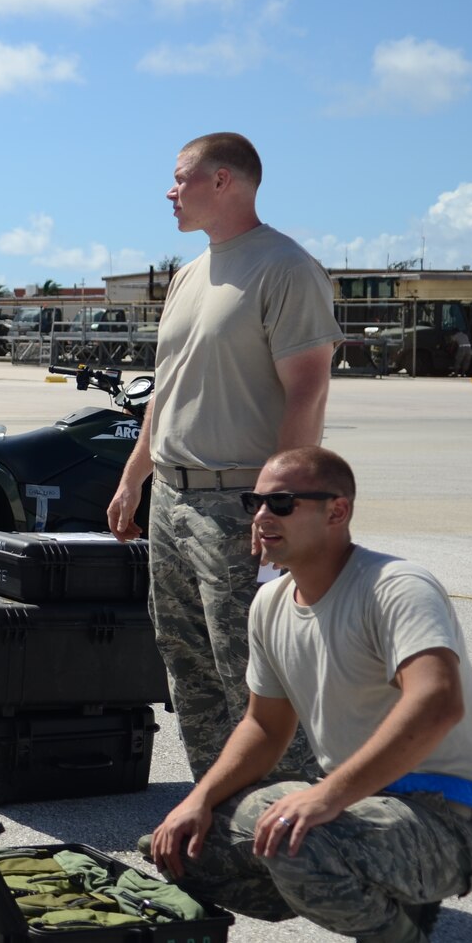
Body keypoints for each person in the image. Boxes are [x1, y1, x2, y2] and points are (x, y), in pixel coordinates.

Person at [146, 448, 472, 943]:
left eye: (282, 503)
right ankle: (379, 898)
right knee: (183, 847)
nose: (261, 517)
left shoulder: (395, 586)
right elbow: (264, 727)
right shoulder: (271, 605)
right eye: (255, 502)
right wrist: (196, 801)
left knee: (299, 840)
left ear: (337, 512)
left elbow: (437, 702)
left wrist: (323, 796)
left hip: (446, 817)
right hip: (360, 804)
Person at [107, 133, 341, 781]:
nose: (169, 190)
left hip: (240, 504)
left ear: (224, 182)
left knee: (256, 678)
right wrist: (135, 478)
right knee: (190, 675)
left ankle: (291, 837)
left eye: (180, 177)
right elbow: (169, 386)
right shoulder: (188, 275)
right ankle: (222, 833)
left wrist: (278, 505)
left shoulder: (285, 268)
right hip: (173, 502)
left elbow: (307, 389)